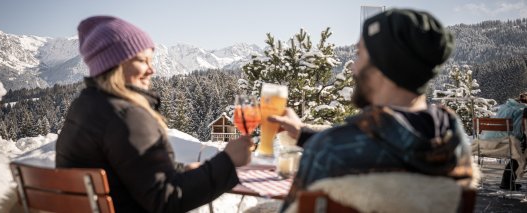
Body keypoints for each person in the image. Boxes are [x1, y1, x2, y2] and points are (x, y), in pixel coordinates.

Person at [269, 9, 474, 211]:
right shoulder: (455, 142)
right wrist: (303, 133)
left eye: (359, 55)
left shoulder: (327, 151)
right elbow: (388, 141)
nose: (352, 68)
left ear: (383, 65)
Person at [55, 16, 254, 212]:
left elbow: (128, 171)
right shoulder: (126, 115)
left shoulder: (85, 105)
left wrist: (179, 171)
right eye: (143, 61)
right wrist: (228, 161)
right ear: (115, 64)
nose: (152, 70)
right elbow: (166, 200)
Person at [481, 92, 527, 190]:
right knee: (522, 151)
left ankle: (507, 181)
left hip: (487, 143)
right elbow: (518, 132)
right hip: (504, 143)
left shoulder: (505, 107)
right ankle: (507, 182)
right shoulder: (521, 110)